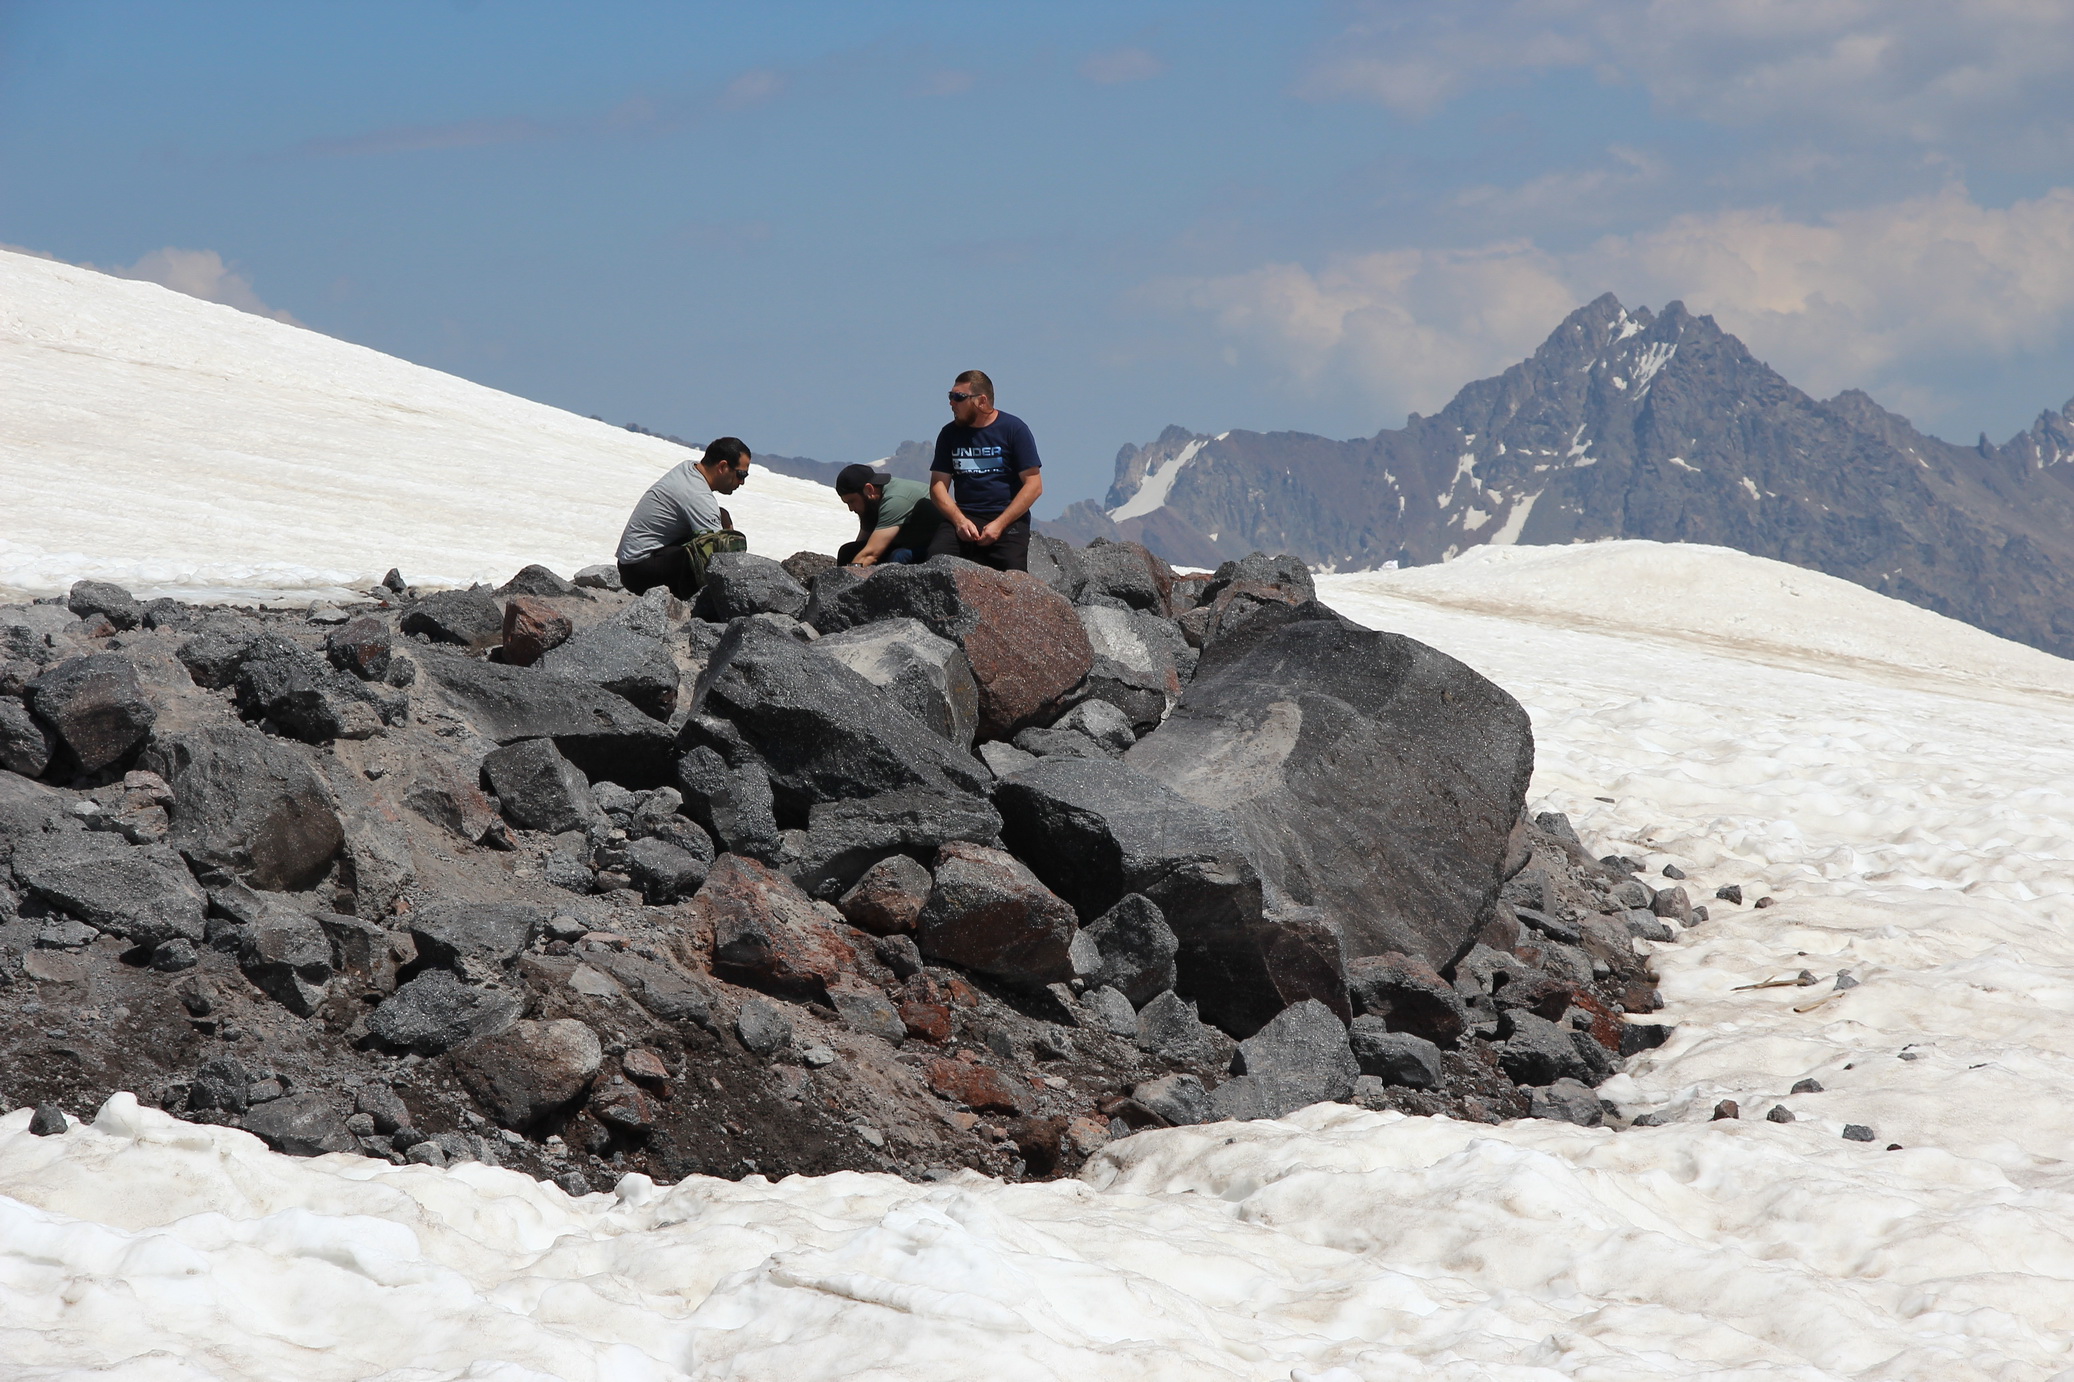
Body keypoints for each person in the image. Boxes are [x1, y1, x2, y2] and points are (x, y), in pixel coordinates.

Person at [926, 370, 1041, 573]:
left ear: (982, 400)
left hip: (1006, 518)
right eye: (950, 396)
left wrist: (999, 524)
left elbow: (1034, 485)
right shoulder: (949, 434)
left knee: (1012, 577)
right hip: (964, 517)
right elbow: (937, 487)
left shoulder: (1014, 429)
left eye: (958, 397)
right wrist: (959, 521)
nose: (951, 403)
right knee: (936, 564)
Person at [614, 437, 752, 597]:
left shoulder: (689, 469)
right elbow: (720, 555)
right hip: (640, 570)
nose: (742, 482)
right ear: (722, 466)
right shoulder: (698, 495)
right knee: (714, 552)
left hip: (630, 564)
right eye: (741, 474)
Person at [833, 464, 941, 566]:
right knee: (847, 551)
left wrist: (844, 580)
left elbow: (870, 554)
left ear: (869, 489)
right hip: (907, 542)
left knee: (898, 557)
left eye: (852, 501)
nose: (851, 508)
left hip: (935, 547)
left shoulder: (895, 501)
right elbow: (862, 546)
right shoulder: (871, 501)